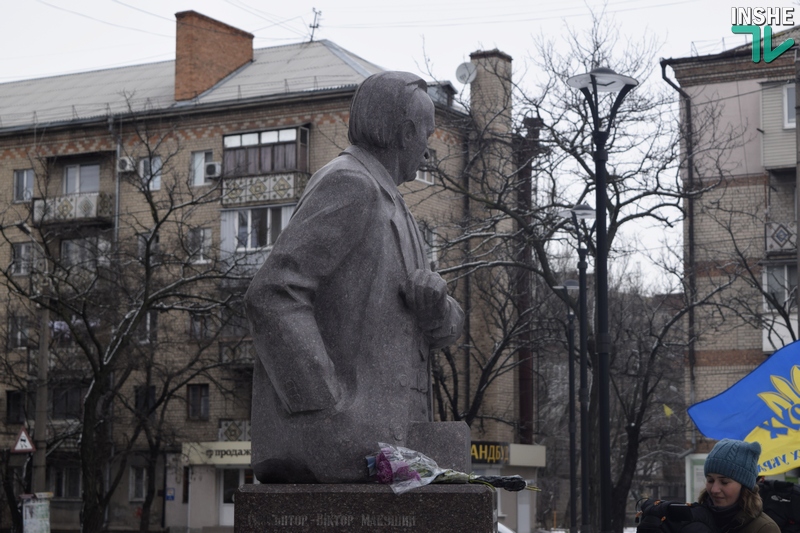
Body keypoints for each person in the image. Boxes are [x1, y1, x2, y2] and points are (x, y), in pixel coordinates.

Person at [245, 71, 465, 484]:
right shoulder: (350, 184)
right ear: (404, 133)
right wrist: (325, 404)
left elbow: (447, 324)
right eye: (426, 134)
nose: (428, 147)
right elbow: (272, 294)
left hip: (396, 437)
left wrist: (436, 309)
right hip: (349, 437)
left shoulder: (397, 206)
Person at [697, 439, 779, 533]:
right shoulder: (695, 519)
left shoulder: (764, 528)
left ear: (744, 486)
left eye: (724, 482)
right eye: (710, 480)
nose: (714, 490)